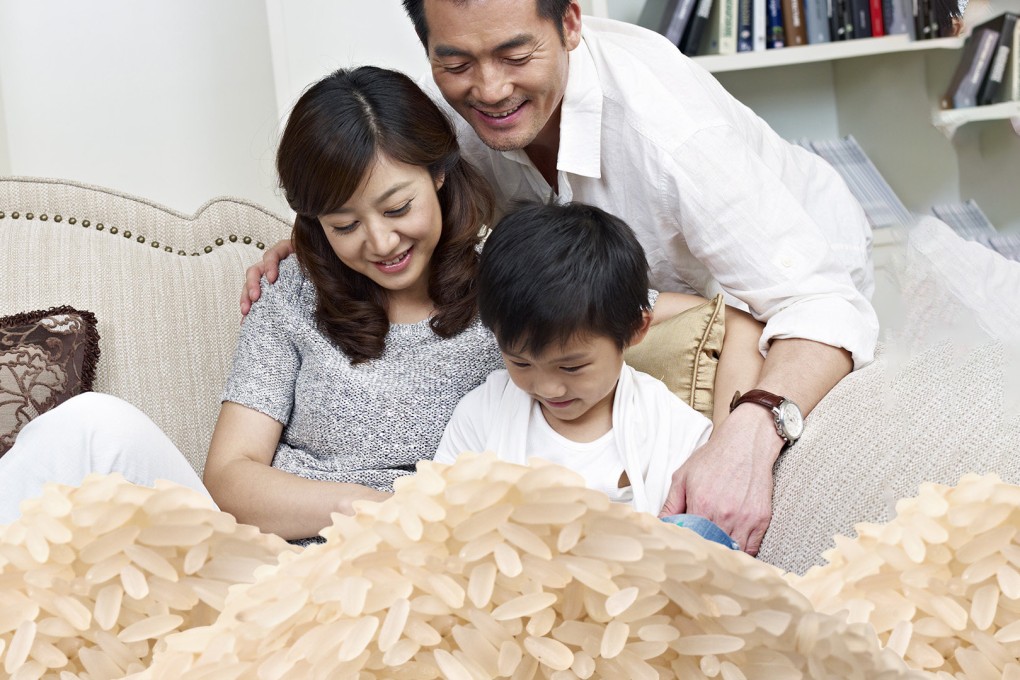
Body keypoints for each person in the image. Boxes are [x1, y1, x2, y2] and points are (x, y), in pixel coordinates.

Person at [0, 65, 762, 542]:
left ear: (438, 174)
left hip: (423, 573)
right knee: (92, 426)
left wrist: (733, 438)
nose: (379, 242)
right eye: (343, 224)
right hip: (265, 558)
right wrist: (375, 509)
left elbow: (708, 319)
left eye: (396, 206)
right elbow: (231, 478)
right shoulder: (293, 293)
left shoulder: (514, 278)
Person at [242, 0, 880, 555]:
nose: (489, 90)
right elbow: (380, 190)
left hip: (796, 282)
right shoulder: (446, 124)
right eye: (457, 63)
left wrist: (744, 436)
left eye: (516, 54)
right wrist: (317, 237)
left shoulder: (674, 136)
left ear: (570, 22)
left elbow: (814, 305)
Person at [436, 202, 722, 535]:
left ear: (635, 330)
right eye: (520, 362)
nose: (548, 388)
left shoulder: (675, 429)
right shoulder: (481, 415)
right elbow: (441, 520)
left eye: (571, 367)